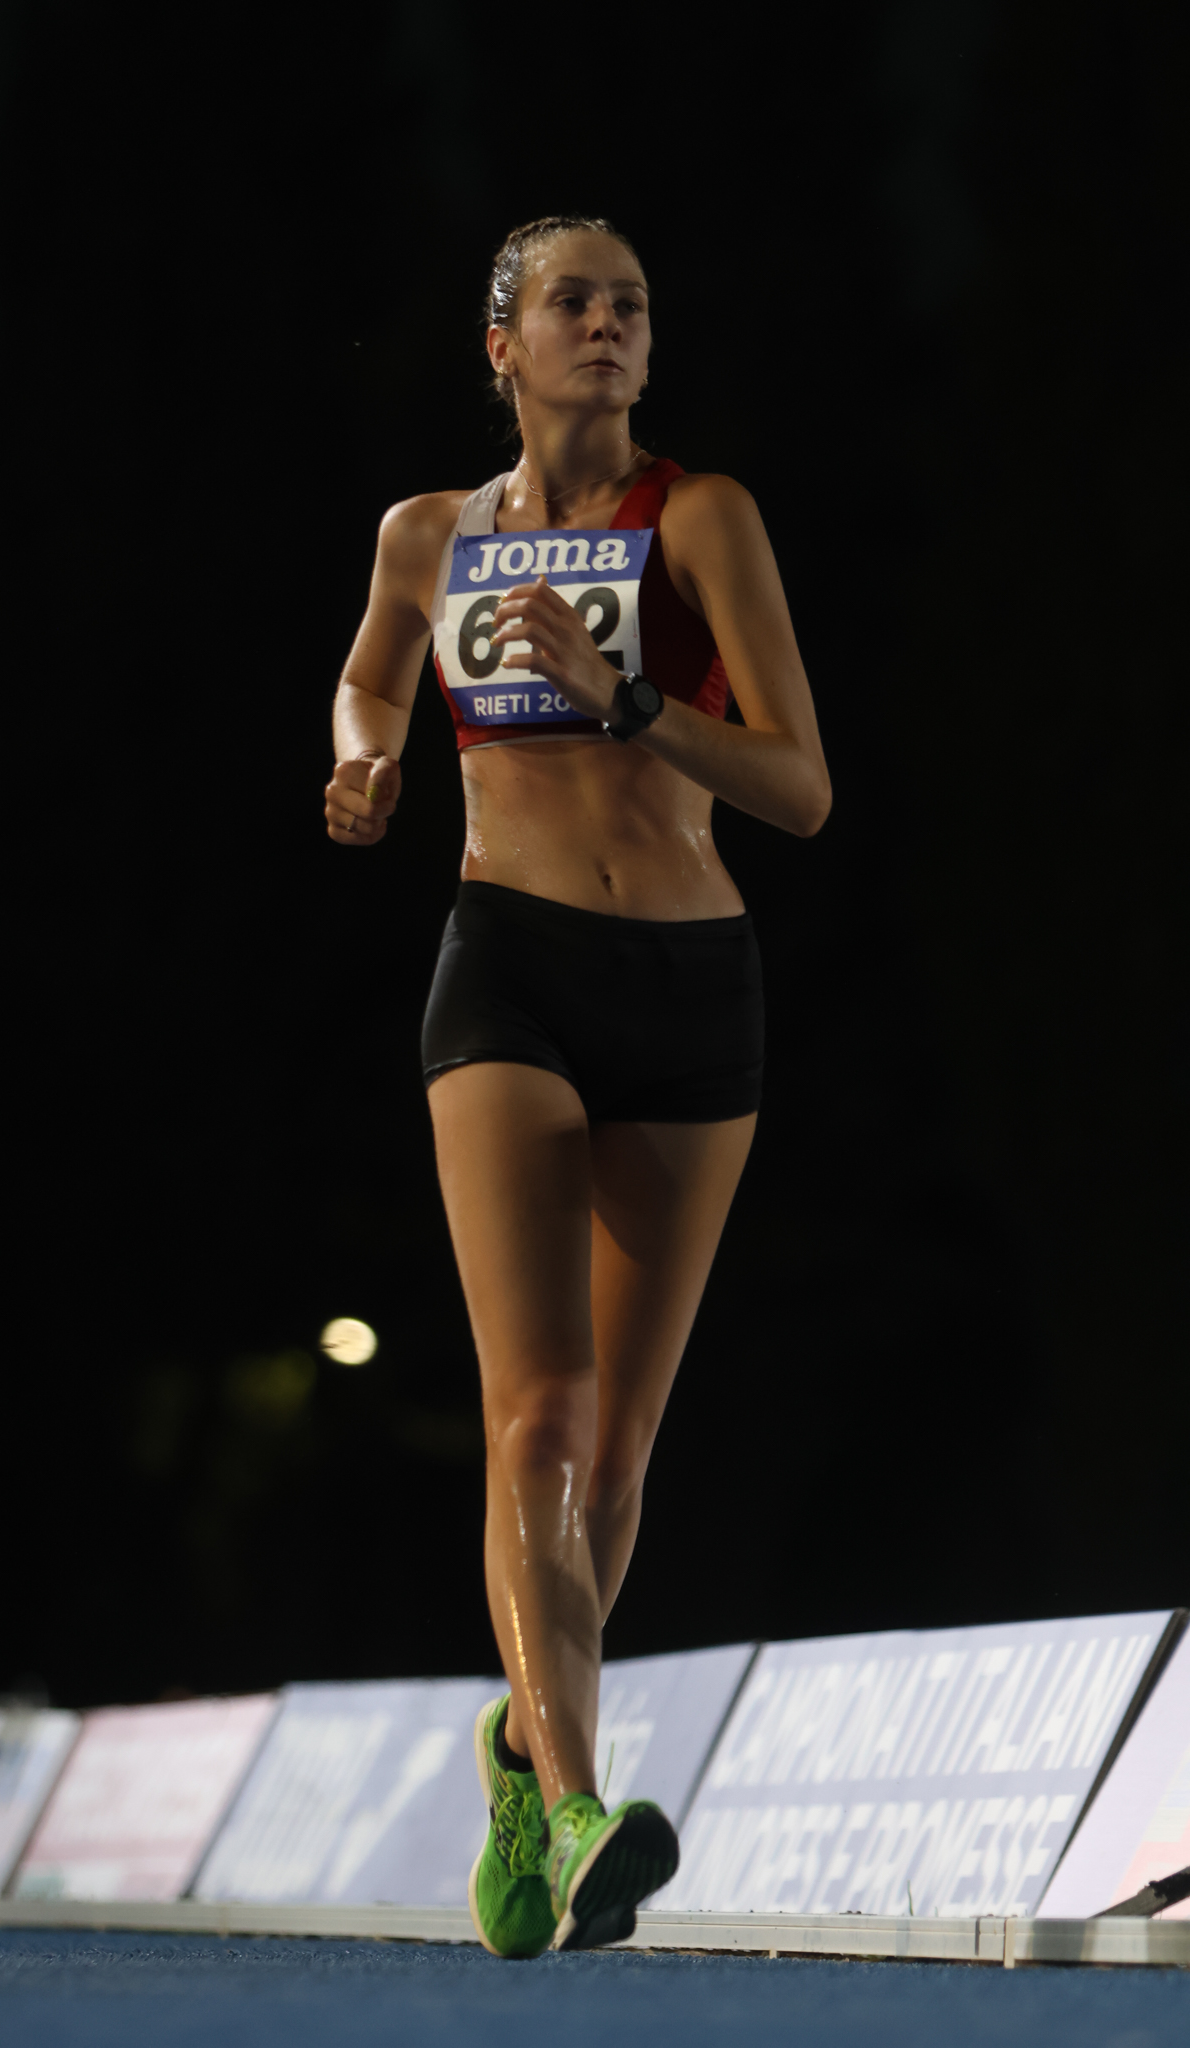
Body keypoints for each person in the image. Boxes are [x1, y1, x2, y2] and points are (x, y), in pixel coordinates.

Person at [324, 215, 831, 1956]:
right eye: (571, 302)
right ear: (502, 343)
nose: (606, 324)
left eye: (630, 304)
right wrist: (365, 759)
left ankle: (513, 1752)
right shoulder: (427, 533)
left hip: (691, 985)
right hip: (509, 965)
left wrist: (623, 701)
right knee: (532, 1416)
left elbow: (800, 789)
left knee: (609, 1465)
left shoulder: (700, 518)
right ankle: (573, 1802)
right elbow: (369, 672)